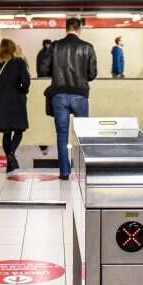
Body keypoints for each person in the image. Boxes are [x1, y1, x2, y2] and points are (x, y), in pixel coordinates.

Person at [47, 17, 97, 180]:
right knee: (84, 134)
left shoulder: (55, 46)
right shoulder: (87, 47)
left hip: (59, 95)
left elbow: (42, 68)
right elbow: (92, 74)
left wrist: (55, 73)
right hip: (80, 95)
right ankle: (87, 171)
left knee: (62, 134)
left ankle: (64, 172)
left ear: (66, 28)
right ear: (79, 29)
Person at [0, 39, 31, 173]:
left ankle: (9, 158)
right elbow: (25, 83)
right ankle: (11, 155)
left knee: (6, 132)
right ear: (13, 49)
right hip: (16, 102)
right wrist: (23, 90)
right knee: (18, 130)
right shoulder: (19, 63)